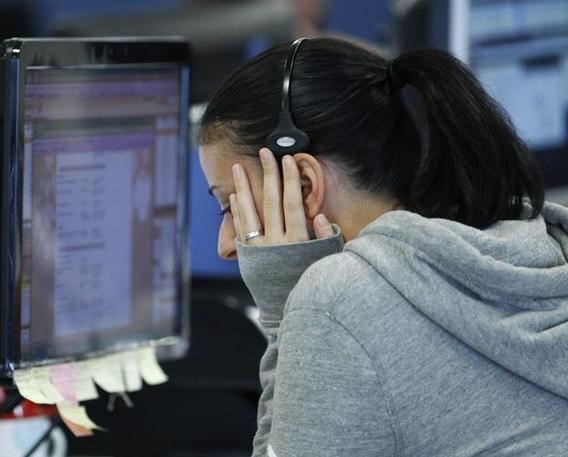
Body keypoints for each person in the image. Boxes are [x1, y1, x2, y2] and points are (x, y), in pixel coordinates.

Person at [197, 36, 568, 456]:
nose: (226, 244)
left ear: (303, 185)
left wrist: (287, 307)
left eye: (229, 206)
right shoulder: (537, 235)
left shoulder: (340, 302)